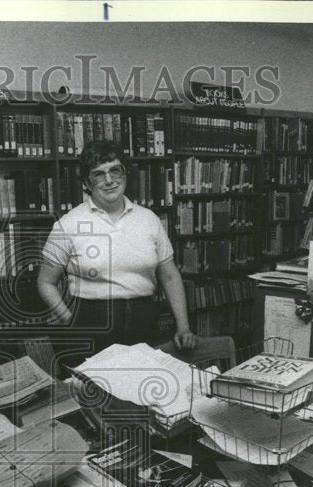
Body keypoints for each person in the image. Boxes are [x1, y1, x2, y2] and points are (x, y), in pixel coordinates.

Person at [38, 139, 199, 368]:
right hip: (91, 327)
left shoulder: (149, 220)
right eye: (99, 174)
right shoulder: (69, 224)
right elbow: (45, 282)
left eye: (115, 170)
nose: (109, 180)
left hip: (144, 324)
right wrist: (69, 319)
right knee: (96, 396)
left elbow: (170, 276)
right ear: (86, 182)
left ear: (126, 173)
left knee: (142, 393)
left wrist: (183, 325)